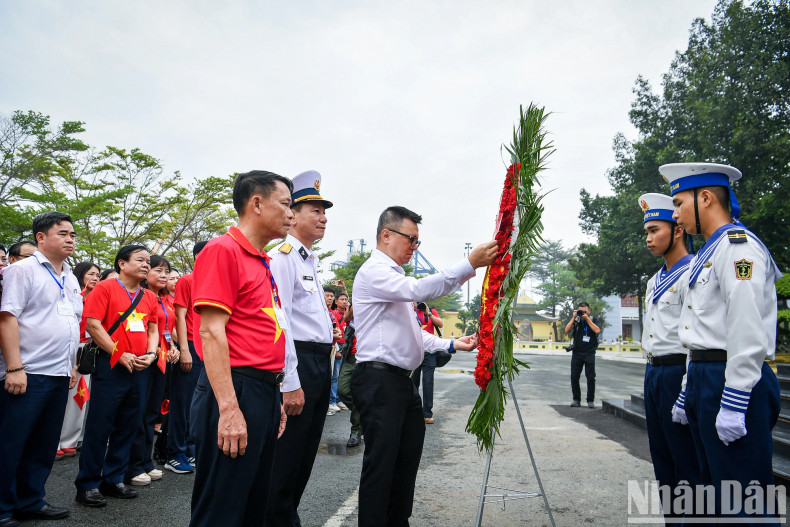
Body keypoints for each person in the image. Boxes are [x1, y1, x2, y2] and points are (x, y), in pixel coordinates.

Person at [351, 205, 497, 526]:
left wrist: (451, 343)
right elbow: (418, 290)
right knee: (381, 468)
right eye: (411, 239)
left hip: (401, 383)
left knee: (405, 465)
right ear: (386, 235)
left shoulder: (394, 278)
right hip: (379, 382)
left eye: (417, 242)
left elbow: (414, 335)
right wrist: (469, 263)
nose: (414, 248)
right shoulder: (375, 272)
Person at [662, 163, 783, 521]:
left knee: (745, 499)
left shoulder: (737, 247)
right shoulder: (709, 252)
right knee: (713, 493)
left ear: (705, 198)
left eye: (679, 203)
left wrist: (735, 399)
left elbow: (746, 326)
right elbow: (698, 328)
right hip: (706, 375)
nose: (675, 214)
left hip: (729, 377)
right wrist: (689, 386)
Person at [188, 170, 291, 527]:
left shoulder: (262, 259)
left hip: (262, 390)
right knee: (221, 508)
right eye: (286, 204)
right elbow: (212, 333)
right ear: (257, 203)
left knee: (252, 506)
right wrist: (229, 410)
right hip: (234, 389)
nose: (291, 214)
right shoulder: (223, 250)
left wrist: (273, 396)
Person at [266, 170, 341, 527]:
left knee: (306, 450)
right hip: (297, 362)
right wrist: (288, 382)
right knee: (287, 452)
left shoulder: (307, 259)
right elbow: (280, 324)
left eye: (324, 210)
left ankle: (287, 515)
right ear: (293, 214)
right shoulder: (281, 257)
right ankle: (277, 518)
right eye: (315, 209)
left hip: (317, 363)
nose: (323, 216)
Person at [0, 212, 82, 526]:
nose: (70, 239)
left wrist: (72, 365)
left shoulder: (71, 277)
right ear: (41, 238)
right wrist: (14, 367)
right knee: (12, 442)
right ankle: (4, 508)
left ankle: (31, 500)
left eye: (72, 234)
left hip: (60, 373)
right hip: (29, 371)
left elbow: (72, 323)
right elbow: (7, 318)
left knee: (44, 444)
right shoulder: (23, 270)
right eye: (62, 233)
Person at [74, 245, 161, 508]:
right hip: (111, 366)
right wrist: (118, 353)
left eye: (148, 261)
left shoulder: (149, 296)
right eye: (140, 260)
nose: (146, 265)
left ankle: (114, 478)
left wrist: (151, 354)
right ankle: (88, 484)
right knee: (100, 425)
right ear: (122, 264)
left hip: (139, 368)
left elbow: (153, 328)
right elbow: (93, 324)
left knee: (129, 424)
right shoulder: (104, 288)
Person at [638, 193, 701, 518]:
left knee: (687, 464)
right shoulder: (653, 281)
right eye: (646, 232)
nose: (648, 239)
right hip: (654, 374)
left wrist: (687, 388)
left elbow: (697, 337)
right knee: (662, 462)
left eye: (655, 231)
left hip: (680, 373)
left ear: (678, 230)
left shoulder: (695, 273)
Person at [126, 255, 180, 486]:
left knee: (152, 413)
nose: (164, 275)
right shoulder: (142, 296)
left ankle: (145, 462)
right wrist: (155, 350)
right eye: (158, 270)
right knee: (138, 413)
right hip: (145, 359)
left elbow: (169, 330)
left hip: (162, 359)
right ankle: (132, 465)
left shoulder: (165, 299)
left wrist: (174, 348)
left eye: (166, 271)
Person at [167, 241, 208, 474]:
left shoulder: (216, 281)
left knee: (199, 403)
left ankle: (192, 449)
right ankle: (176, 453)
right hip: (191, 345)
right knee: (183, 403)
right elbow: (180, 317)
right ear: (197, 257)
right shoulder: (187, 280)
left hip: (208, 348)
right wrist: (184, 349)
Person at [57, 261, 101, 460]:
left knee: (81, 397)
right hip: (71, 348)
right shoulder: (75, 296)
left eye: (98, 275)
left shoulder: (98, 298)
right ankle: (56, 440)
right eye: (91, 274)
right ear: (81, 275)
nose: (95, 278)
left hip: (88, 352)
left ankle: (71, 440)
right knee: (66, 397)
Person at [411, 301, 443, 424]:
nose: (415, 303)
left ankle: (427, 414)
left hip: (430, 351)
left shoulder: (430, 310)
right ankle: (414, 412)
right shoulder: (409, 312)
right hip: (415, 350)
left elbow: (440, 324)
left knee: (428, 381)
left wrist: (428, 313)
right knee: (413, 382)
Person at [565, 301, 601, 408]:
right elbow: (567, 330)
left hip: (589, 352)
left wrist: (587, 319)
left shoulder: (593, 320)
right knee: (574, 377)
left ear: (589, 311)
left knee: (591, 377)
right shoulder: (576, 320)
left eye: (584, 311)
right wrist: (573, 317)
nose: (582, 313)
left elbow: (597, 330)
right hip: (577, 352)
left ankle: (590, 400)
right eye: (580, 310)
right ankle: (576, 399)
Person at [336, 304, 362, 447]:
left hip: (366, 359)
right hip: (350, 358)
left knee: (359, 394)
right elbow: (347, 315)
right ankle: (365, 414)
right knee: (342, 390)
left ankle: (356, 431)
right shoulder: (352, 317)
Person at [329, 288, 349, 413]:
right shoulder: (334, 313)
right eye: (342, 299)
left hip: (345, 347)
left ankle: (337, 399)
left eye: (346, 299)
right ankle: (332, 401)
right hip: (337, 346)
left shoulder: (345, 313)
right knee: (335, 375)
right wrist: (336, 348)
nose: (345, 302)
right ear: (336, 301)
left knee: (341, 375)